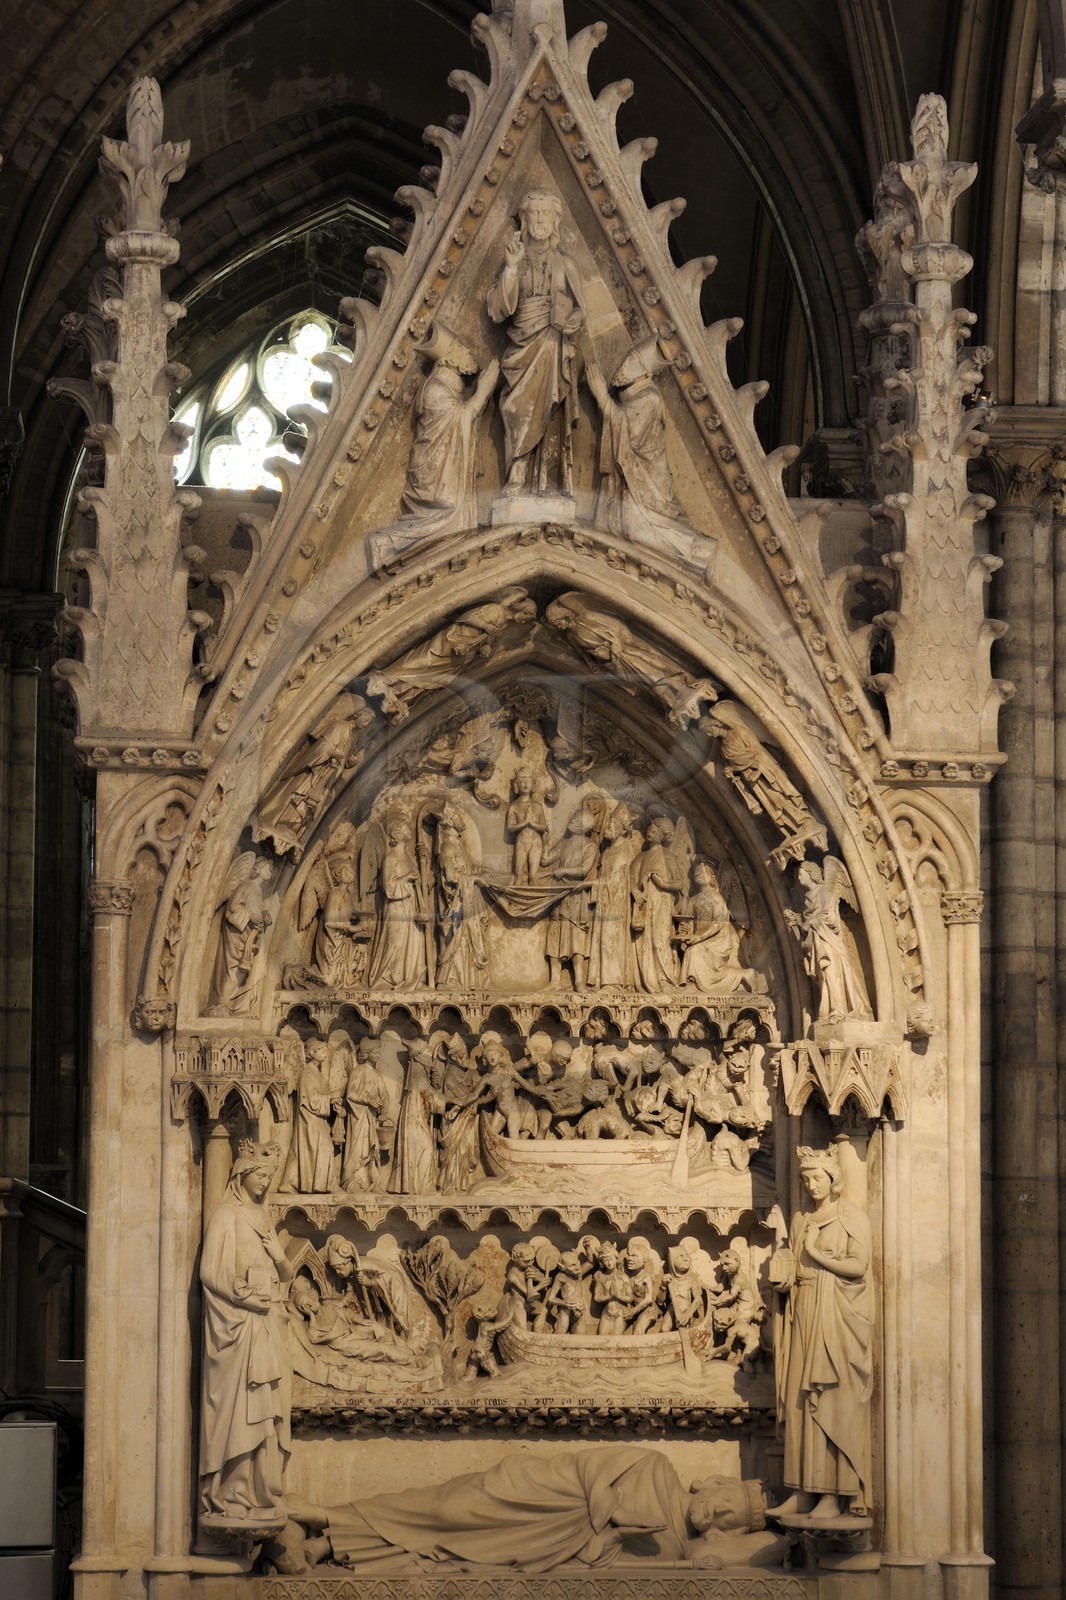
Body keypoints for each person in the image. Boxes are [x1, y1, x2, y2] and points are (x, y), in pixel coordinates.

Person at [266, 1447, 790, 1573]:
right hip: (539, 1491)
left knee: (449, 1553)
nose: (715, 1517)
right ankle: (321, 1510)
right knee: (450, 1507)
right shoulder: (656, 1467)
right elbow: (589, 1467)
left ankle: (322, 1543)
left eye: (727, 1522)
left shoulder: (673, 1547)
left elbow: (604, 1564)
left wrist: (607, 1541)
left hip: (548, 1541)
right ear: (713, 1483)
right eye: (723, 1503)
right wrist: (608, 1512)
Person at [769, 1145, 873, 1519]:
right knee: (801, 1402)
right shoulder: (802, 1220)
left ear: (833, 1180)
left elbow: (859, 1267)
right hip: (806, 1311)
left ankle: (833, 1493)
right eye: (806, 1178)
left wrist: (815, 1253)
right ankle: (802, 1490)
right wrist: (785, 1278)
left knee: (830, 1401)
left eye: (817, 1178)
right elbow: (796, 1265)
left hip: (836, 1318)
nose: (811, 1184)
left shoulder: (851, 1217)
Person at [199, 1140, 292, 1523]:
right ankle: (232, 1490)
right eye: (260, 1175)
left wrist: (277, 1253)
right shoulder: (226, 1215)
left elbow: (284, 1274)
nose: (265, 1182)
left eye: (269, 1176)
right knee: (240, 1412)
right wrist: (244, 1298)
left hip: (267, 1325)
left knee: (268, 1411)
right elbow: (209, 1270)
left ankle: (259, 1488)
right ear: (241, 1173)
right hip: (239, 1326)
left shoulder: (261, 1216)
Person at [486, 188, 586, 495]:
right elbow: (498, 311)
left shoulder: (565, 264)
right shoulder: (513, 260)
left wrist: (574, 319)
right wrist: (512, 267)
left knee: (551, 411)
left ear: (555, 220)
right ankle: (515, 475)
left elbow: (581, 308)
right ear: (525, 220)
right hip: (521, 348)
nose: (540, 219)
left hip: (554, 346)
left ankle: (546, 479)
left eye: (545, 213)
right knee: (515, 409)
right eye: (534, 213)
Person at [367, 814, 426, 989]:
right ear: (397, 833)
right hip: (397, 907)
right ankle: (384, 978)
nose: (409, 831)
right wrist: (407, 877)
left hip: (410, 906)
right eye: (406, 828)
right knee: (395, 943)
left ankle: (409, 978)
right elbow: (388, 887)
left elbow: (419, 884)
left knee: (412, 945)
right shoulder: (390, 858)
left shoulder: (409, 858)